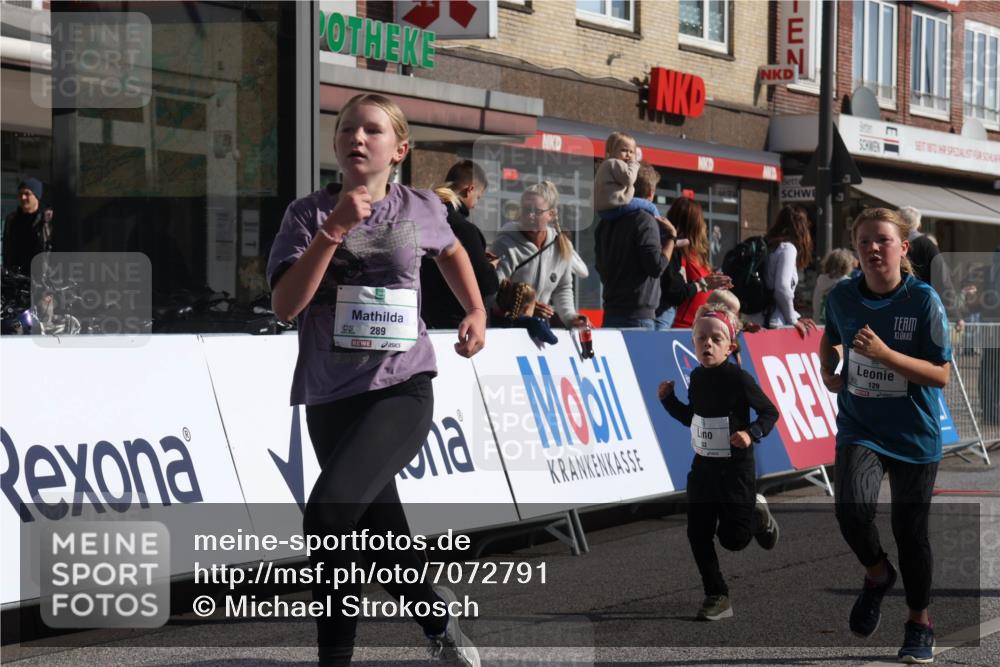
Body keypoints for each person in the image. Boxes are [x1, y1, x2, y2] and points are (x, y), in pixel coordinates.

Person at [266, 93, 484, 667]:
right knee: (382, 539)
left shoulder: (420, 210)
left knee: (329, 517)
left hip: (401, 387)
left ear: (399, 149)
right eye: (346, 130)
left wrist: (476, 310)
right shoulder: (306, 215)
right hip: (330, 396)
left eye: (372, 131)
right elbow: (286, 306)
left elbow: (452, 251)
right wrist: (334, 230)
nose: (357, 139)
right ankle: (438, 621)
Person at [819, 207, 952, 664]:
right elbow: (831, 335)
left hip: (914, 432)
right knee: (851, 512)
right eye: (864, 242)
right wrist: (828, 366)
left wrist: (885, 354)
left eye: (883, 240)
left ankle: (919, 621)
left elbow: (941, 375)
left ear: (903, 248)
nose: (873, 249)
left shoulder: (923, 301)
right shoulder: (841, 297)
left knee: (909, 532)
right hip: (861, 424)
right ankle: (877, 574)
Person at [657, 303, 780, 621]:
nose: (707, 344)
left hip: (736, 469)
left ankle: (758, 514)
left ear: (730, 346)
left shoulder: (737, 377)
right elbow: (693, 418)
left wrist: (751, 433)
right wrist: (669, 401)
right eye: (701, 338)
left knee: (734, 539)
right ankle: (717, 595)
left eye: (715, 339)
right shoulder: (696, 377)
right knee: (697, 532)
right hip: (704, 468)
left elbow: (769, 412)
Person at [489, 181, 589, 329]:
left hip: (539, 331)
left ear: (551, 214)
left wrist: (571, 318)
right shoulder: (506, 243)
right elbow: (492, 291)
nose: (530, 216)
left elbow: (563, 288)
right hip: (507, 330)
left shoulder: (561, 245)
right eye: (526, 210)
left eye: (537, 211)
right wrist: (527, 307)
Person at [594, 163, 674, 329]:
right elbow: (656, 267)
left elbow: (600, 267)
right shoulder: (645, 220)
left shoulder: (606, 222)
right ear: (651, 192)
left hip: (611, 310)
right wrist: (671, 239)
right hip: (638, 317)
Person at [421, 160, 499, 329]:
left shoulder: (422, 215)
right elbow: (485, 284)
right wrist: (490, 268)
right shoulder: (463, 228)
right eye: (478, 197)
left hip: (418, 320)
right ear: (469, 189)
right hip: (452, 324)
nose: (476, 205)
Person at [752, 205, 817, 338]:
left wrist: (795, 316)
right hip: (772, 322)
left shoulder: (769, 245)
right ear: (801, 227)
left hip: (754, 318)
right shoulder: (787, 248)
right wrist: (793, 320)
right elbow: (782, 288)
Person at [898, 206, 963, 331]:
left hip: (894, 307)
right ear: (919, 224)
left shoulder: (892, 243)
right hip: (922, 309)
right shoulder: (927, 245)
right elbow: (942, 279)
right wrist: (955, 315)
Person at [668, 197, 731, 328]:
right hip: (682, 327)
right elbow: (678, 291)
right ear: (695, 224)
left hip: (700, 328)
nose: (704, 225)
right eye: (701, 220)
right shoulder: (678, 253)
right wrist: (704, 284)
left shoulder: (698, 254)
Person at [594, 131, 660, 221]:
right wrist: (634, 163)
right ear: (611, 150)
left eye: (631, 152)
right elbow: (629, 179)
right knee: (650, 206)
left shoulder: (606, 164)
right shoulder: (615, 162)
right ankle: (661, 231)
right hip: (614, 206)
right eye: (624, 150)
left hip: (605, 209)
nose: (628, 155)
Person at [2, 178, 53, 275]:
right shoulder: (12, 220)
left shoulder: (47, 220)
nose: (23, 197)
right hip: (16, 277)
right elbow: (6, 248)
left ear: (36, 196)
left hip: (42, 277)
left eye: (27, 194)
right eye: (20, 194)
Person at [494, 278, 558, 346]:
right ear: (526, 308)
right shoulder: (532, 323)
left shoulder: (498, 319)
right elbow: (553, 340)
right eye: (534, 306)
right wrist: (545, 323)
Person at [812, 248, 857, 324]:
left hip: (819, 327)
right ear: (847, 265)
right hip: (838, 330)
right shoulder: (847, 284)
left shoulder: (820, 281)